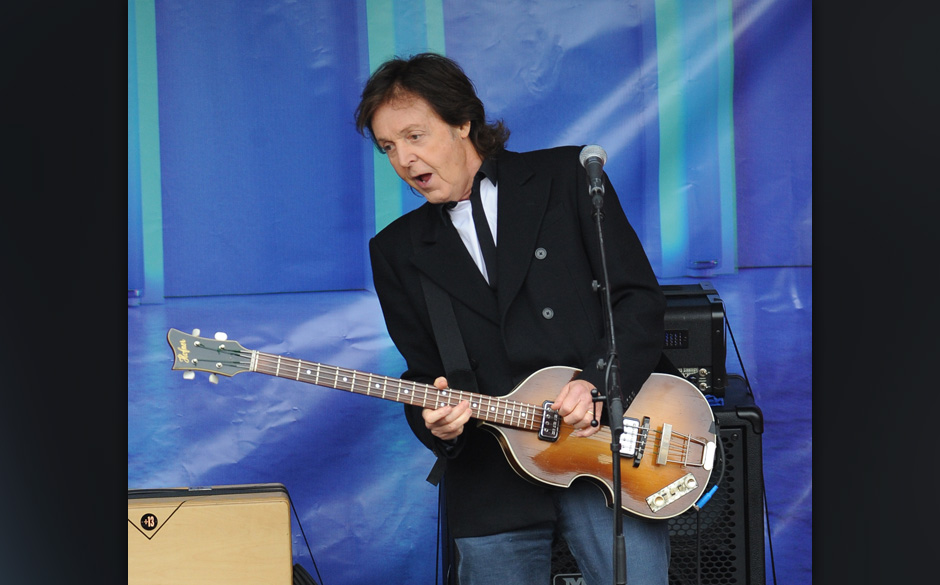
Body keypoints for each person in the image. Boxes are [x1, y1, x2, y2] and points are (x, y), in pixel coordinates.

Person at [355, 52, 672, 585]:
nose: (404, 160)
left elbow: (636, 300)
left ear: (462, 121)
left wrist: (597, 382)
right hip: (490, 471)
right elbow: (421, 373)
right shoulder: (397, 250)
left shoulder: (566, 178)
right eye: (388, 147)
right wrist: (437, 424)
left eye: (415, 136)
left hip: (604, 446)